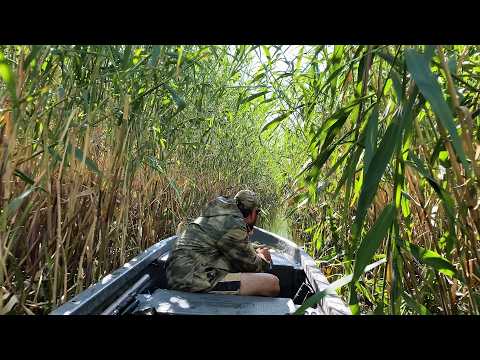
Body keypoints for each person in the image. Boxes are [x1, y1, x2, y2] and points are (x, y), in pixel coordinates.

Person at [165, 190, 280, 297]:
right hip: (190, 281)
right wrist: (263, 258)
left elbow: (230, 246)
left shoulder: (219, 214)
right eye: (257, 213)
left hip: (178, 274)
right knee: (272, 283)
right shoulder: (234, 224)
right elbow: (253, 267)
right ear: (253, 212)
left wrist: (251, 247)